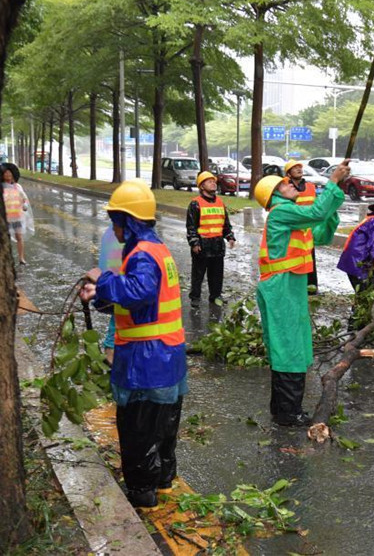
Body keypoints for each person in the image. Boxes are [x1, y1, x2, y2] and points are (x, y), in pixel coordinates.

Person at [79, 180, 187, 508]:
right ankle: (164, 480)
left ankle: (143, 493)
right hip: (167, 356)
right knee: (164, 426)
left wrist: (103, 278)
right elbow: (145, 302)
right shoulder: (157, 248)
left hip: (145, 360)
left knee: (139, 432)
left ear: (128, 220)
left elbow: (138, 292)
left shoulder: (141, 254)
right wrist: (100, 297)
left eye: (116, 220)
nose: (114, 227)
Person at [255, 160, 350, 427]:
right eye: (283, 184)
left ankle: (283, 409)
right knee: (288, 347)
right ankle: (287, 413)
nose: (289, 183)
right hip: (281, 287)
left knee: (292, 344)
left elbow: (320, 233)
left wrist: (332, 205)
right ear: (274, 194)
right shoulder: (281, 212)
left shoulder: (292, 215)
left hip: (289, 286)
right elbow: (317, 212)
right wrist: (333, 181)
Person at [186, 171, 236, 307]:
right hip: (202, 244)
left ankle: (215, 296)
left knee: (217, 273)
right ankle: (195, 297)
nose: (213, 183)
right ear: (201, 186)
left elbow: (225, 223)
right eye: (209, 181)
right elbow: (191, 226)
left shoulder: (220, 202)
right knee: (198, 273)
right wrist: (194, 243)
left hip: (218, 244)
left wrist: (230, 236)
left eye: (213, 181)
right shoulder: (195, 204)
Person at [283, 160, 320, 294]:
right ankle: (294, 286)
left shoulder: (310, 186)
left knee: (309, 258)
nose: (299, 169)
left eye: (300, 167)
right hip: (292, 230)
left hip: (308, 230)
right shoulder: (285, 187)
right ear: (288, 173)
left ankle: (311, 286)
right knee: (292, 259)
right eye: (295, 168)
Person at [1, 163, 31, 264]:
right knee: (5, 237)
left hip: (17, 217)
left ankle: (21, 258)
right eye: (6, 173)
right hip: (5, 217)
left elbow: (24, 198)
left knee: (19, 236)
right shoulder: (0, 187)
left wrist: (25, 204)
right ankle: (6, 259)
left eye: (10, 173)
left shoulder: (17, 187)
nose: (8, 175)